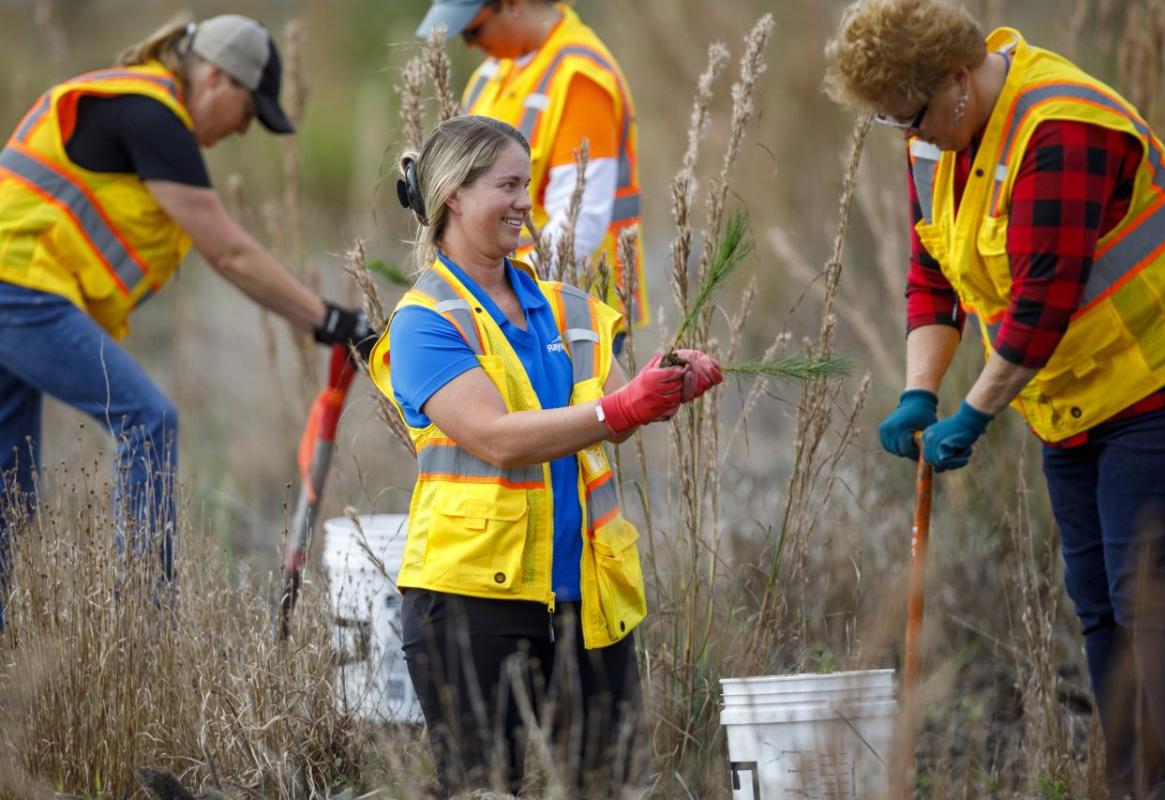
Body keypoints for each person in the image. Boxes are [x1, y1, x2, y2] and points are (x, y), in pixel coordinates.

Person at [825, 1, 1165, 797]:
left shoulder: (1060, 129)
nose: (910, 136)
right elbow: (932, 273)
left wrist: (976, 413)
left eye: (914, 117)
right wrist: (920, 393)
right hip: (1071, 401)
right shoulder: (936, 140)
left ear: (958, 77)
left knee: (1149, 596)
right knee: (1099, 607)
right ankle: (1135, 782)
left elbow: (1043, 302)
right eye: (894, 124)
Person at [368, 115, 720, 796]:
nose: (525, 202)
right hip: (470, 601)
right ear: (453, 198)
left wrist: (668, 381)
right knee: (486, 788)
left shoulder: (565, 307)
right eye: (507, 185)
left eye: (526, 183)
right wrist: (625, 406)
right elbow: (497, 437)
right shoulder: (423, 322)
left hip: (586, 597)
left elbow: (616, 417)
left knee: (608, 787)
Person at [0, 14, 376, 620]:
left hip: (19, 289)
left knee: (9, 477)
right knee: (147, 421)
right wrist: (327, 318)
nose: (243, 129)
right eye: (249, 112)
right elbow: (227, 250)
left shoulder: (135, 102)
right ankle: (146, 635)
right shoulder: (151, 115)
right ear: (218, 78)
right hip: (17, 291)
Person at [415, 0, 648, 347]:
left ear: (512, 4)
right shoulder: (491, 76)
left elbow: (579, 225)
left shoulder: (579, 78)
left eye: (473, 29)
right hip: (500, 308)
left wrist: (503, 298)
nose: (470, 44)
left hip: (570, 313)